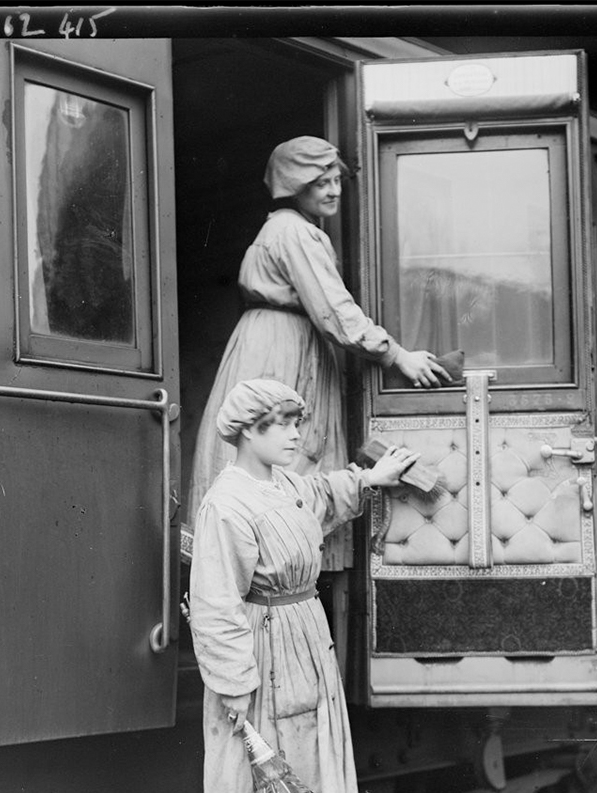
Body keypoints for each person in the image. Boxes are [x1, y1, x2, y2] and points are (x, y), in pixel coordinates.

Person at [189, 378, 418, 793]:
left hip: (306, 641)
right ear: (247, 431)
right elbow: (216, 603)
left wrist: (370, 478)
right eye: (283, 425)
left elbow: (319, 496)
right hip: (259, 651)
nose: (297, 435)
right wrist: (234, 684)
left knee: (318, 769)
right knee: (248, 783)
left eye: (297, 423)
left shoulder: (284, 483)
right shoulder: (226, 503)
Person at [186, 135, 450, 565]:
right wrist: (396, 354)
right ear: (295, 186)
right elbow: (336, 313)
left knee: (283, 461)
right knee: (283, 457)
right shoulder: (293, 231)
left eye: (336, 180)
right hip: (280, 351)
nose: (333, 190)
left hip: (281, 342)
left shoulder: (290, 230)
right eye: (320, 182)